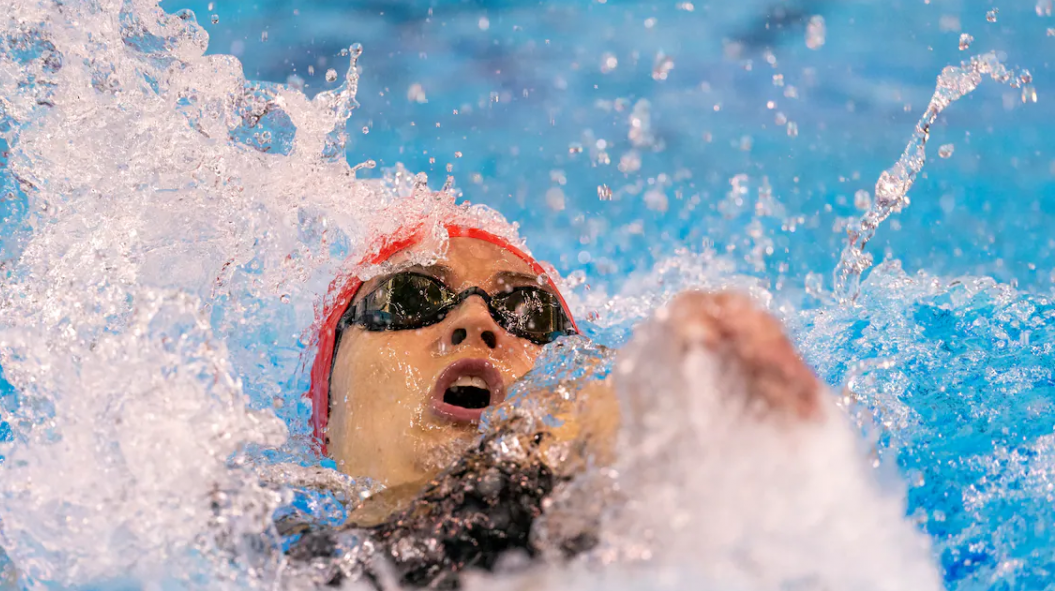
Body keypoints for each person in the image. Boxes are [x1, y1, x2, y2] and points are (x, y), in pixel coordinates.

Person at [285, 194, 824, 587]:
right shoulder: (247, 527)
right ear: (327, 410)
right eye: (411, 295)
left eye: (527, 310)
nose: (476, 320)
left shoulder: (650, 546)